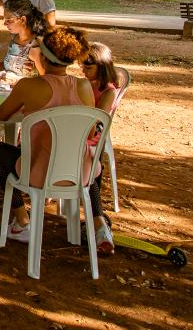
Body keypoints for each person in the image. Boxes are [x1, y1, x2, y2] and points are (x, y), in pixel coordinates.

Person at [0, 26, 94, 243]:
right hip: (78, 171)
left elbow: (2, 114)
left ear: (42, 57)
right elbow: (91, 131)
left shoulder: (28, 86)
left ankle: (21, 219)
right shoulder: (84, 87)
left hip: (37, 171)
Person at [81, 41, 120, 255]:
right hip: (78, 133)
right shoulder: (84, 83)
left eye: (88, 67)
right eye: (82, 67)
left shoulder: (108, 91)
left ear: (102, 66)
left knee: (88, 166)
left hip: (93, 136)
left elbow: (97, 121)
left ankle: (98, 223)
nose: (84, 71)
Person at [0, 0, 47, 80]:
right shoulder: (15, 39)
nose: (5, 24)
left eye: (9, 20)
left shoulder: (35, 46)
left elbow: (47, 79)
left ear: (23, 20)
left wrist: (31, 75)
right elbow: (8, 64)